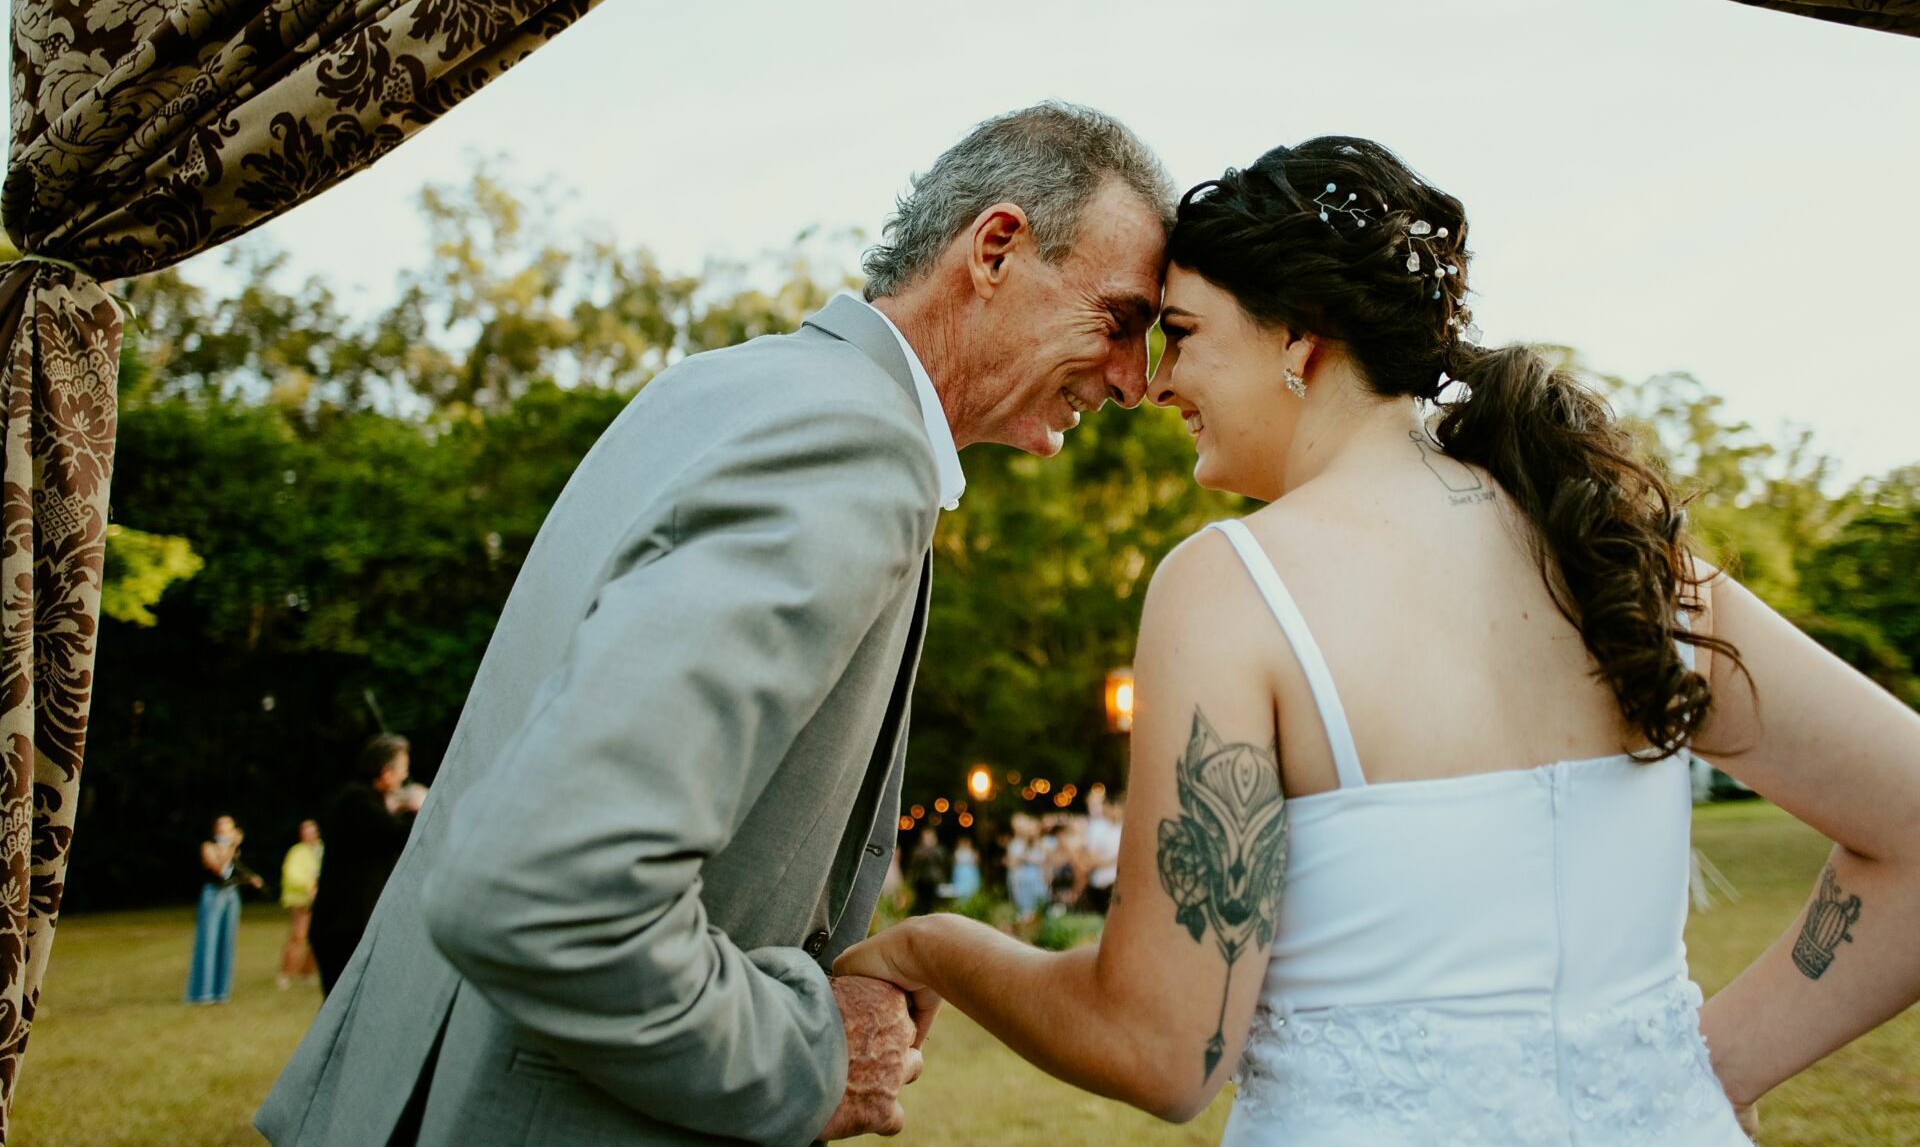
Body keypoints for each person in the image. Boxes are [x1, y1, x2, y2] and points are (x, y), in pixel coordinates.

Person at [837, 137, 1920, 1145]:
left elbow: (1162, 1048)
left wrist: (933, 943)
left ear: (1301, 338)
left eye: (1187, 334)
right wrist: (1685, 1081)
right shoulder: (1623, 557)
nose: (1157, 383)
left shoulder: (1232, 589)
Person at [258, 101, 1175, 1147]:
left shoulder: (717, 387)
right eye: (1120, 319)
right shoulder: (854, 449)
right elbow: (548, 891)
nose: (1136, 383)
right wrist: (809, 1055)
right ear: (997, 248)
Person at [307, 734, 426, 995]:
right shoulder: (356, 801)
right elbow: (395, 834)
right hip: (343, 927)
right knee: (344, 1009)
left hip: (353, 924)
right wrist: (422, 810)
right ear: (385, 773)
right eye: (402, 773)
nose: (403, 781)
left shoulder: (365, 801)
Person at [185, 814, 263, 1004]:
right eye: (222, 827)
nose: (225, 830)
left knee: (227, 942)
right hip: (213, 894)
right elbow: (219, 868)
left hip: (230, 895)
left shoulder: (233, 851)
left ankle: (221, 992)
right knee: (209, 941)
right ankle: (202, 993)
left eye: (229, 827)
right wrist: (232, 845)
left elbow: (231, 872)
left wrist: (250, 879)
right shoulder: (209, 847)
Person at [277, 819, 324, 990]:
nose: (309, 834)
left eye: (312, 830)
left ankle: (307, 972)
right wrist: (309, 886)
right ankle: (285, 973)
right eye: (306, 831)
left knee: (318, 938)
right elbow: (292, 875)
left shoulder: (322, 849)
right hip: (302, 901)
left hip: (321, 899)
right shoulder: (296, 852)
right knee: (298, 936)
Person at [1081, 788, 1122, 916]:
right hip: (1101, 883)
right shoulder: (1099, 830)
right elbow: (1090, 860)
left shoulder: (1125, 829)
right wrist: (1115, 860)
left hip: (1117, 883)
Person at [1005, 815, 1049, 922]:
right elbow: (1013, 863)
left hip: (1038, 880)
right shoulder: (1019, 844)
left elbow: (1046, 863)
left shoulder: (1043, 844)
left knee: (1039, 905)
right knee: (1024, 908)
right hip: (1023, 880)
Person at [906, 827, 949, 914]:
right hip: (921, 880)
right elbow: (914, 863)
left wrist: (930, 848)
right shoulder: (918, 850)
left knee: (933, 903)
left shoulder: (939, 849)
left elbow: (942, 860)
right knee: (921, 902)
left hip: (934, 880)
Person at [948, 838, 982, 903]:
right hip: (960, 873)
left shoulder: (973, 852)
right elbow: (955, 863)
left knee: (971, 890)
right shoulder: (957, 852)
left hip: (970, 874)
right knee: (960, 891)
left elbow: (976, 863)